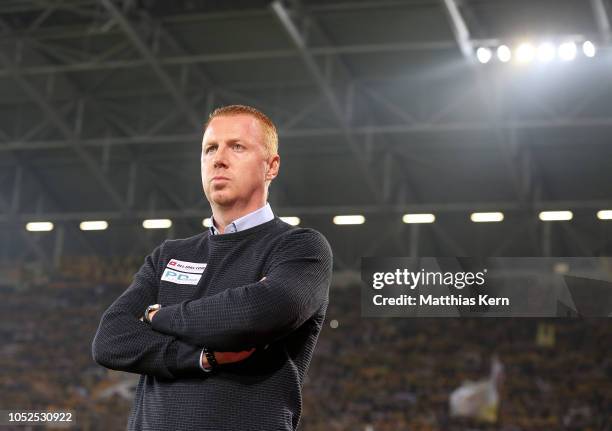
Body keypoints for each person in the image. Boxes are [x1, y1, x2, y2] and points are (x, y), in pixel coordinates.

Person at [92, 105, 333, 430]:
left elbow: (254, 314)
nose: (219, 159)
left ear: (271, 166)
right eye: (210, 149)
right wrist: (202, 356)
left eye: (237, 146)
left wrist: (157, 316)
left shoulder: (300, 247)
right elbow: (110, 340)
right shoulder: (168, 254)